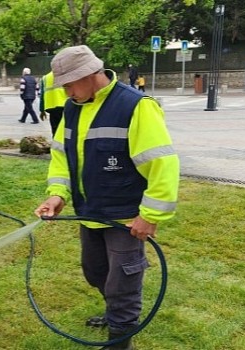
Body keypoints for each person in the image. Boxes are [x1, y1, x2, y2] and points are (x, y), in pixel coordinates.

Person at [33, 45, 179, 350]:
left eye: (70, 84)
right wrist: (57, 195)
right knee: (95, 271)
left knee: (123, 283)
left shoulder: (136, 106)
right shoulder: (73, 106)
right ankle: (115, 312)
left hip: (125, 217)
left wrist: (150, 215)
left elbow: (162, 164)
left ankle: (120, 338)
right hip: (91, 212)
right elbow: (61, 156)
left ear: (89, 74)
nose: (67, 92)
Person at [39, 70, 68, 136]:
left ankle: (56, 144)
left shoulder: (45, 77)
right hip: (65, 105)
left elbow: (42, 95)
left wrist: (42, 110)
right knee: (66, 129)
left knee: (55, 129)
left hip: (51, 106)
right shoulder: (65, 74)